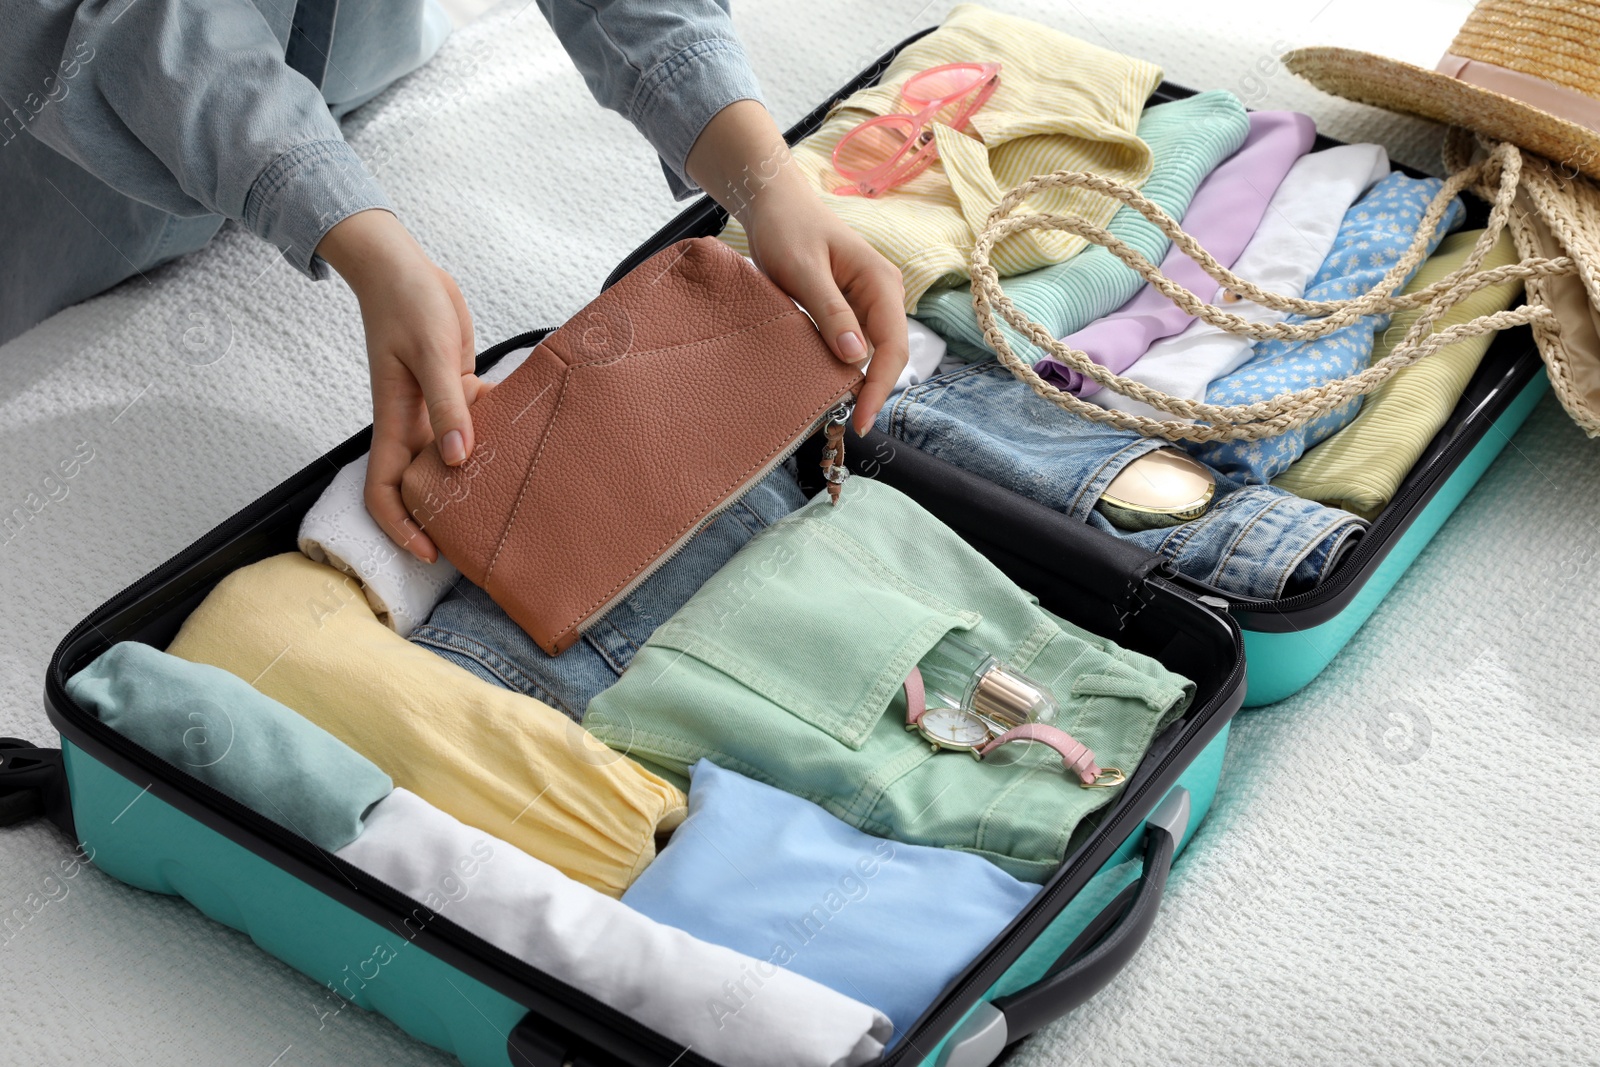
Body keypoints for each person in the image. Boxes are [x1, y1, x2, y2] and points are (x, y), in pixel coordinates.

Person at [0, 0, 909, 560]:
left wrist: (765, 178)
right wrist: (355, 232)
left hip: (366, 72)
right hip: (67, 211)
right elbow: (119, 21)